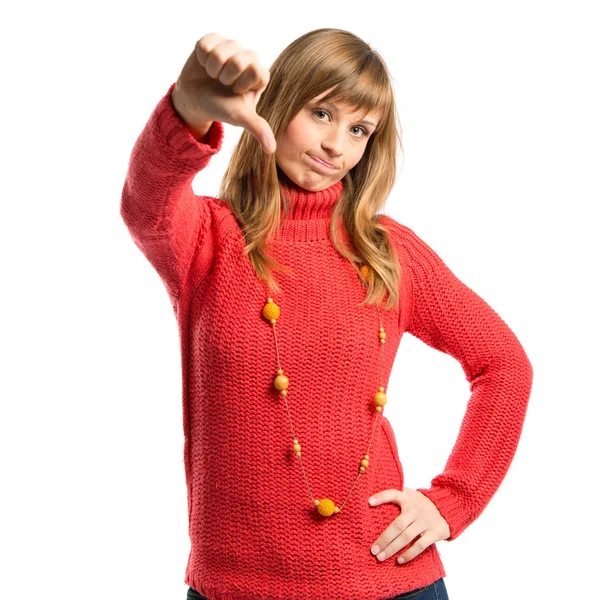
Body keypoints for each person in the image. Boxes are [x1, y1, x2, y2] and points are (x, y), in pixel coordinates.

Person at [120, 29, 533, 600]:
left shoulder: (388, 253)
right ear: (278, 103)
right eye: (322, 113)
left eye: (359, 129)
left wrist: (454, 501)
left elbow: (504, 364)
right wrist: (185, 111)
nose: (337, 145)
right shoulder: (209, 239)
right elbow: (146, 202)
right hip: (235, 587)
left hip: (389, 581)